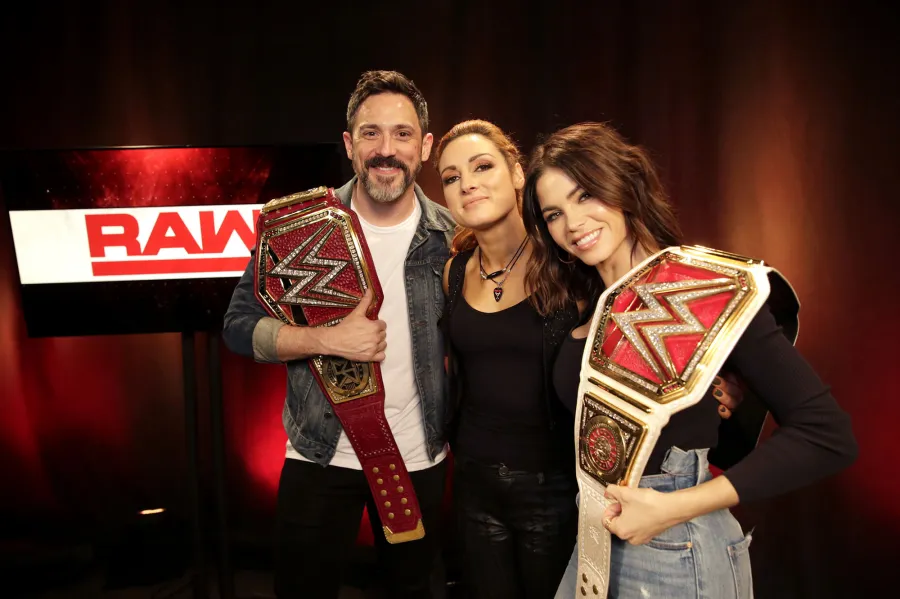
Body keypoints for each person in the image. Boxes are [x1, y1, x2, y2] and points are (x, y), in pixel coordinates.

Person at [518, 121, 859, 598]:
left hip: (676, 548)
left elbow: (827, 435)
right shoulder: (590, 307)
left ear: (625, 185)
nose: (572, 223)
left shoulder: (704, 292)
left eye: (585, 194)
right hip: (594, 539)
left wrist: (673, 507)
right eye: (553, 213)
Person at [433, 120, 742, 599]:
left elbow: (649, 314)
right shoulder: (454, 271)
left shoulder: (570, 261)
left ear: (518, 174)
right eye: (451, 177)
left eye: (482, 166)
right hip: (473, 477)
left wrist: (717, 378)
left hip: (559, 483)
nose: (467, 183)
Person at [222, 70, 455, 599]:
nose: (386, 149)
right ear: (350, 145)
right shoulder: (298, 225)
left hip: (418, 457)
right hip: (319, 453)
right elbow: (237, 328)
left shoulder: (452, 236)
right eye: (370, 133)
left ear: (425, 145)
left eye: (402, 134)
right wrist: (324, 340)